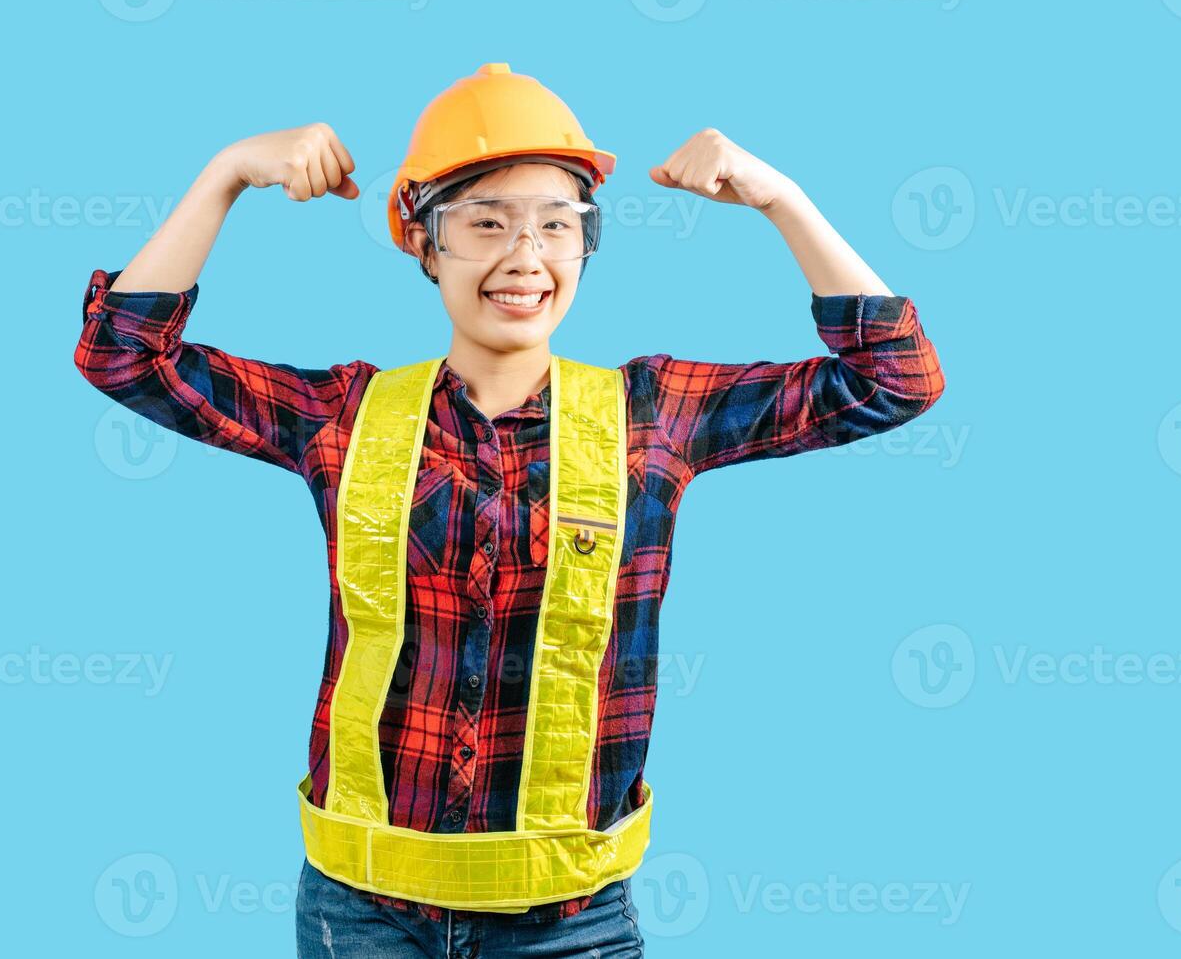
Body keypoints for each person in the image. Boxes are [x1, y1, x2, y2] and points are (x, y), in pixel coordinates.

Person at [74, 63, 945, 958]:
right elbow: (123, 356)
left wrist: (781, 199)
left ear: (585, 245)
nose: (523, 256)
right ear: (424, 243)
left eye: (556, 226)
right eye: (484, 223)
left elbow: (895, 378)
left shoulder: (654, 417)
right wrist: (224, 174)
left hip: (572, 924)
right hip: (361, 915)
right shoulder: (343, 416)